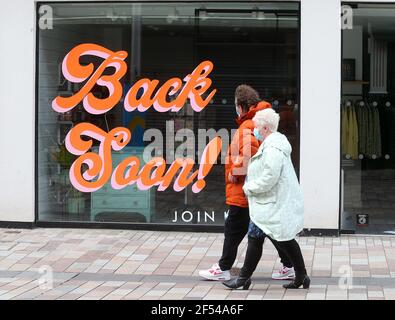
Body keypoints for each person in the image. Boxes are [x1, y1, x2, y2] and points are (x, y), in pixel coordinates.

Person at [199, 85, 295, 281]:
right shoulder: (255, 121)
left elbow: (249, 154)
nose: (235, 108)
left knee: (233, 228)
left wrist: (235, 172)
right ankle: (289, 265)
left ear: (241, 105)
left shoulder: (248, 125)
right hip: (248, 189)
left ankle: (224, 268)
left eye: (236, 104)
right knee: (264, 228)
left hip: (242, 190)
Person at [223, 108, 310, 290]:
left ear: (264, 128)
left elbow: (270, 177)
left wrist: (249, 188)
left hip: (271, 203)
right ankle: (301, 276)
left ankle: (244, 279)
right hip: (271, 203)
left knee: (268, 238)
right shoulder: (273, 145)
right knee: (276, 239)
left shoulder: (272, 149)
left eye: (256, 127)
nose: (254, 130)